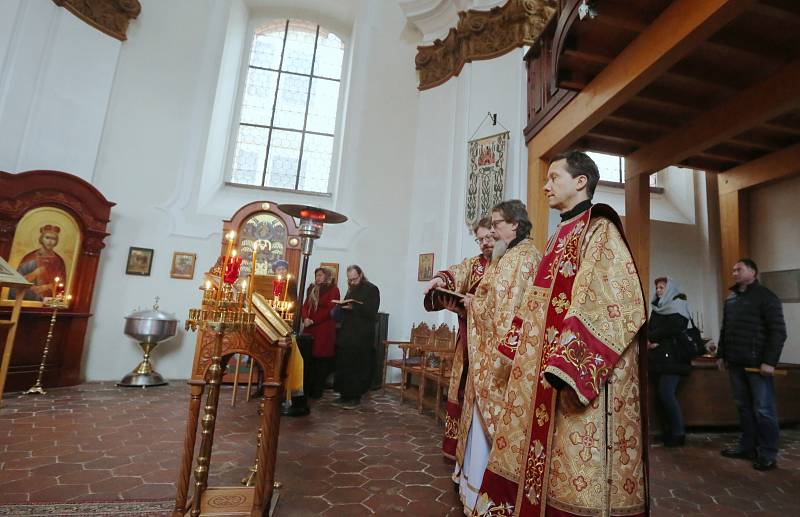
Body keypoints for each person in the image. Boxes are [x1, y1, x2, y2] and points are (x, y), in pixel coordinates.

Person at [473, 150, 647, 517]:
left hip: (569, 376)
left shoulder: (600, 229)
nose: (545, 184)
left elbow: (616, 300)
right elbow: (534, 304)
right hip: (537, 372)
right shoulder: (557, 237)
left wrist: (568, 363)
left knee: (571, 459)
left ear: (580, 181)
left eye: (554, 178)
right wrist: (513, 348)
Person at [448, 201, 541, 515]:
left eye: (497, 223)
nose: (493, 231)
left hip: (503, 361)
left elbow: (506, 312)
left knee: (495, 427)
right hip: (489, 353)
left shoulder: (523, 258)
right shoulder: (511, 255)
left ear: (514, 224)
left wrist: (474, 303)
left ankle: (489, 496)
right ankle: (476, 489)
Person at [423, 215, 494, 460]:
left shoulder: (509, 265)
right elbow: (457, 273)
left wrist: (472, 306)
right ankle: (461, 453)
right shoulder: (475, 265)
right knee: (461, 394)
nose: (485, 243)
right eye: (480, 239)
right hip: (467, 344)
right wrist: (440, 280)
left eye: (488, 237)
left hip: (496, 349)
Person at [717, 258, 786, 471]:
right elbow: (726, 329)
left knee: (764, 410)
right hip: (736, 363)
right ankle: (747, 446)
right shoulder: (731, 299)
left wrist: (769, 361)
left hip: (758, 365)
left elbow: (778, 332)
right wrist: (722, 354)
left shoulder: (766, 297)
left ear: (753, 272)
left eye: (739, 269)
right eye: (733, 269)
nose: (735, 272)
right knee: (744, 408)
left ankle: (767, 453)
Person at [648, 277, 693, 447]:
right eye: (657, 287)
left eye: (662, 287)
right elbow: (652, 328)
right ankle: (667, 432)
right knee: (660, 396)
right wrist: (651, 340)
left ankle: (678, 433)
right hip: (660, 358)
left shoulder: (678, 305)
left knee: (667, 394)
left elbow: (674, 327)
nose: (659, 290)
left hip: (675, 358)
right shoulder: (657, 307)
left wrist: (654, 338)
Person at [333, 265, 380, 409]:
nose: (352, 282)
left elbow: (372, 311)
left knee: (357, 366)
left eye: (355, 279)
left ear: (361, 275)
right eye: (350, 280)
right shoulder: (351, 289)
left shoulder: (371, 289)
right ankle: (343, 395)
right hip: (347, 333)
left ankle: (354, 397)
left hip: (361, 335)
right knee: (344, 363)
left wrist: (355, 307)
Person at [301, 267, 340, 399]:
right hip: (310, 328)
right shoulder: (312, 288)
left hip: (324, 329)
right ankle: (307, 389)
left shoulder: (333, 290)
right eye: (316, 275)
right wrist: (305, 318)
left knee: (321, 361)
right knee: (309, 360)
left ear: (327, 276)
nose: (318, 278)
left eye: (320, 275)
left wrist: (313, 320)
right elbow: (306, 305)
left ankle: (317, 391)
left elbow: (330, 309)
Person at [12, 224, 67, 301]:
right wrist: (34, 274)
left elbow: (61, 284)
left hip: (49, 301)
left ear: (56, 241)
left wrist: (45, 287)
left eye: (53, 239)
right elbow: (16, 282)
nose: (50, 242)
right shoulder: (30, 258)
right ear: (41, 239)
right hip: (29, 299)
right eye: (47, 238)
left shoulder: (59, 261)